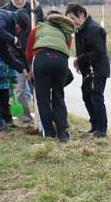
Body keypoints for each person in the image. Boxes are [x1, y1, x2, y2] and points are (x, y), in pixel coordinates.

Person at [25, 10, 75, 142]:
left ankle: (49, 132)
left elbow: (29, 52)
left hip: (41, 59)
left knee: (43, 98)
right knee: (58, 95)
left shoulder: (38, 28)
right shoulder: (66, 31)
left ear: (48, 20)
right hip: (60, 61)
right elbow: (66, 49)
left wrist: (30, 70)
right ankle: (63, 132)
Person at [66, 3, 110, 138]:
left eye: (73, 19)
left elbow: (98, 52)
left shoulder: (93, 29)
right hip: (87, 70)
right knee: (87, 96)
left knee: (96, 97)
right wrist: (80, 60)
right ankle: (94, 126)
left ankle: (101, 129)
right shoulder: (80, 29)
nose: (72, 22)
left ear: (81, 15)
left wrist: (80, 59)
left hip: (97, 70)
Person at [2, 0, 44, 125]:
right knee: (19, 89)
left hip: (34, 53)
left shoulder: (34, 9)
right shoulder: (5, 11)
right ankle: (25, 118)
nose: (20, 1)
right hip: (15, 55)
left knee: (36, 86)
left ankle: (40, 115)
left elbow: (42, 27)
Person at [0, 54, 17, 127]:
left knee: (5, 103)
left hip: (5, 85)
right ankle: (0, 120)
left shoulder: (7, 57)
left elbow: (11, 69)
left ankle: (8, 120)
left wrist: (14, 81)